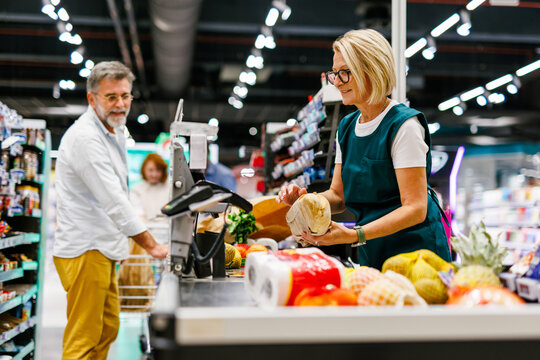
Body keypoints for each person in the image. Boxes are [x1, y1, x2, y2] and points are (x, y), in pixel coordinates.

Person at [277, 29, 451, 269]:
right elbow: (338, 196)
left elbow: (416, 208)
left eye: (345, 73)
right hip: (373, 250)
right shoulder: (347, 127)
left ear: (372, 69)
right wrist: (306, 200)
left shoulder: (403, 126)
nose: (337, 82)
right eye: (334, 73)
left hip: (418, 256)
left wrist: (356, 234)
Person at [53, 61, 169, 360]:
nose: (121, 104)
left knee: (107, 328)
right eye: (111, 97)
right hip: (86, 248)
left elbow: (121, 193)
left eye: (125, 96)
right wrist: (152, 246)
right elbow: (114, 200)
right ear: (92, 98)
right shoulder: (85, 139)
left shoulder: (113, 130)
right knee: (84, 336)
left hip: (103, 248)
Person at [118, 153, 169, 311]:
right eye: (151, 170)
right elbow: (138, 215)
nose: (154, 174)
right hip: (145, 241)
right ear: (144, 170)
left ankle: (162, 305)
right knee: (142, 277)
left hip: (166, 238)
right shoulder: (137, 189)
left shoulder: (170, 188)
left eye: (158, 170)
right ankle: (144, 305)